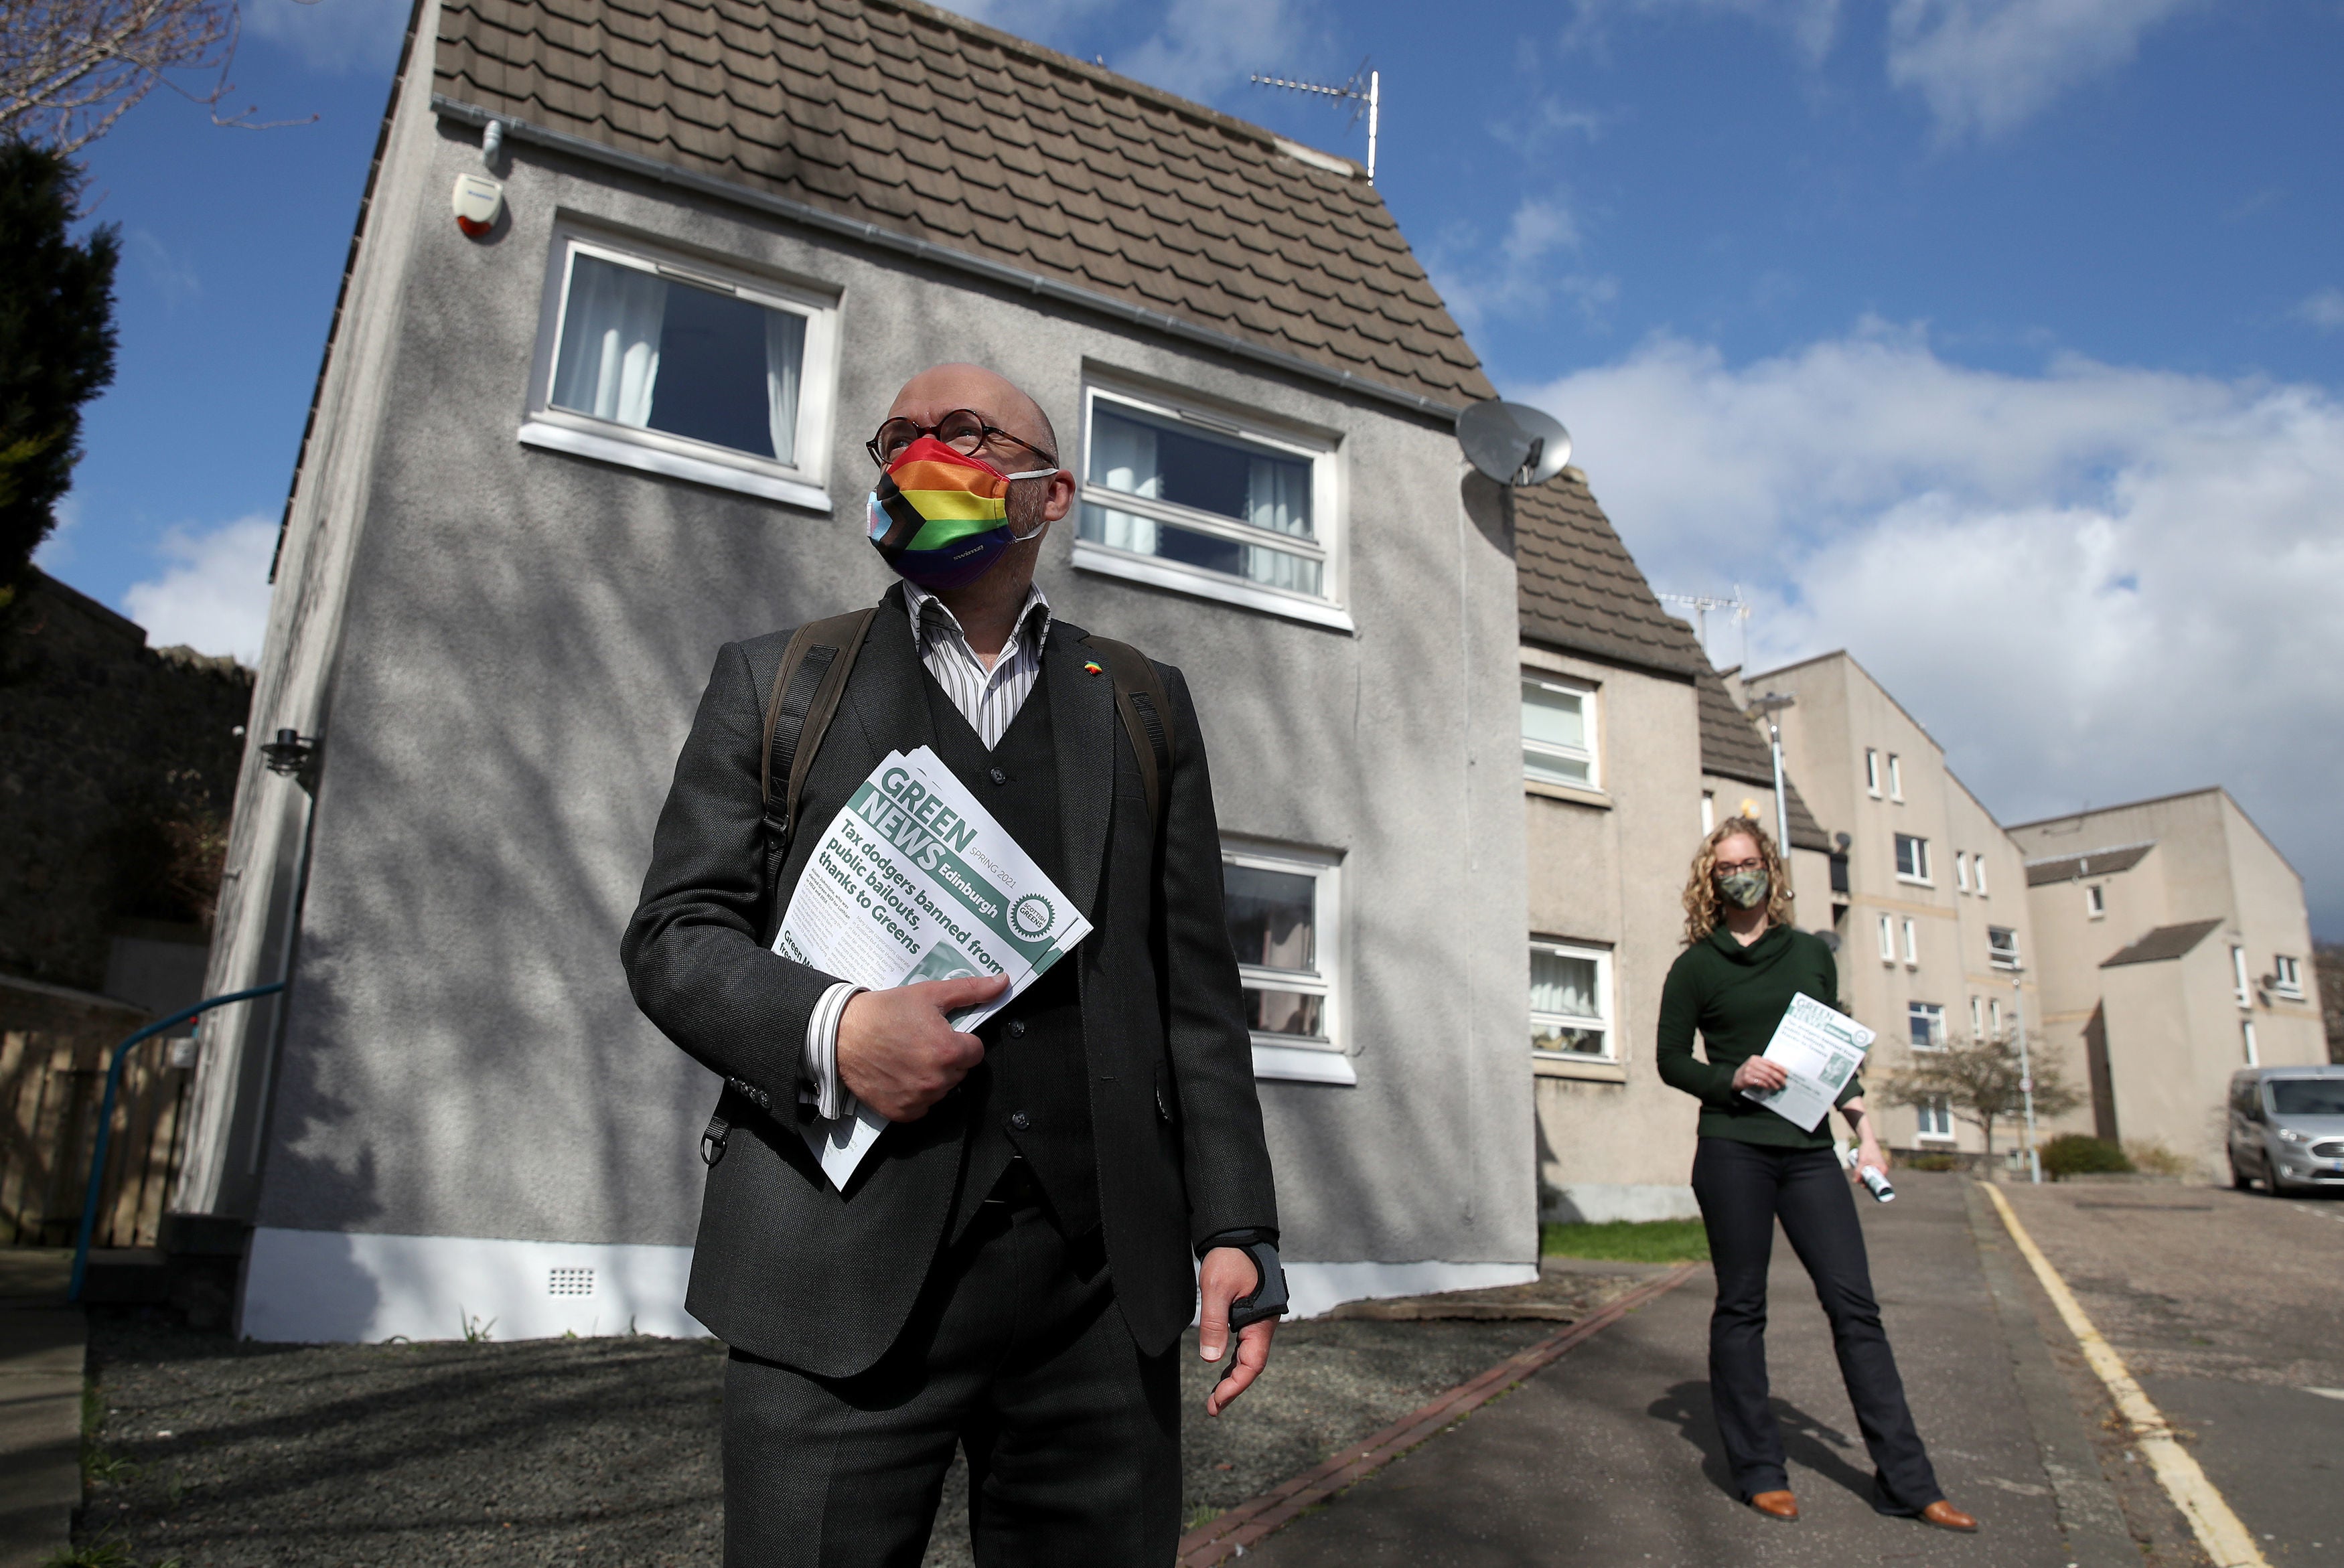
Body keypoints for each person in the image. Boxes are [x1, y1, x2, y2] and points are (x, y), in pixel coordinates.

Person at [621, 363, 1283, 1566]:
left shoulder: (1143, 703)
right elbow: (674, 938)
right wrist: (834, 1030)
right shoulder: (778, 682)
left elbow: (1197, 995)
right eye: (898, 438)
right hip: (829, 1280)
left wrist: (1236, 1225)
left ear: (1051, 494)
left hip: (1097, 1295)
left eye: (964, 432)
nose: (921, 454)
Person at [1656, 817, 1976, 1532]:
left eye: (1747, 861)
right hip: (1732, 1147)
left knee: (1854, 1306)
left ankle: (1908, 1480)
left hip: (1807, 1152)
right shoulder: (1696, 965)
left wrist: (1866, 1134)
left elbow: (1836, 1058)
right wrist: (1728, 1074)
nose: (1737, 874)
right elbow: (1669, 1058)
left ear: (1769, 866)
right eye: (1723, 868)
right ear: (1709, 884)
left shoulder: (1808, 955)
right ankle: (1758, 1469)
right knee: (1741, 1306)